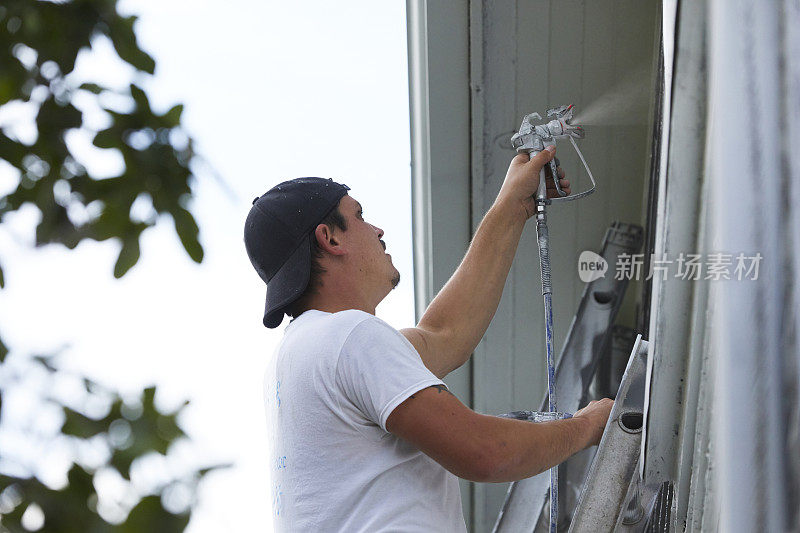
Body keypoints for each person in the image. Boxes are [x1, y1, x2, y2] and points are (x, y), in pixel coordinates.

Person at [244, 146, 614, 532]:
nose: (377, 230)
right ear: (330, 239)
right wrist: (587, 426)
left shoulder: (305, 353)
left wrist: (515, 204)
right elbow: (484, 452)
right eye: (360, 216)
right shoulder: (348, 337)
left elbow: (444, 334)